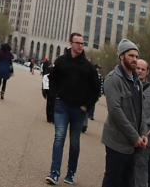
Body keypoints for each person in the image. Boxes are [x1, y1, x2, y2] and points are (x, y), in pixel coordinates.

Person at [46, 32, 101, 185]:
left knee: (75, 142)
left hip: (79, 110)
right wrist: (54, 95)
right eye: (77, 43)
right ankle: (54, 172)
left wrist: (87, 106)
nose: (80, 46)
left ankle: (71, 173)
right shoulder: (62, 61)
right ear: (71, 43)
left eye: (82, 43)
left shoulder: (88, 67)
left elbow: (96, 89)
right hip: (62, 105)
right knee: (59, 137)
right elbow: (52, 79)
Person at [100, 39, 146, 187]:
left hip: (134, 144)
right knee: (113, 181)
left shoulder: (136, 80)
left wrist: (143, 133)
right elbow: (115, 111)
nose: (134, 59)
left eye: (136, 56)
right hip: (117, 142)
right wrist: (134, 137)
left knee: (128, 182)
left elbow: (141, 109)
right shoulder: (113, 79)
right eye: (131, 55)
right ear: (122, 56)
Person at [132, 59, 150, 187]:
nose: (140, 71)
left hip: (147, 135)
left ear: (148, 72)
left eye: (143, 69)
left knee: (141, 165)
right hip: (128, 131)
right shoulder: (128, 85)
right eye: (138, 68)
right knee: (123, 163)